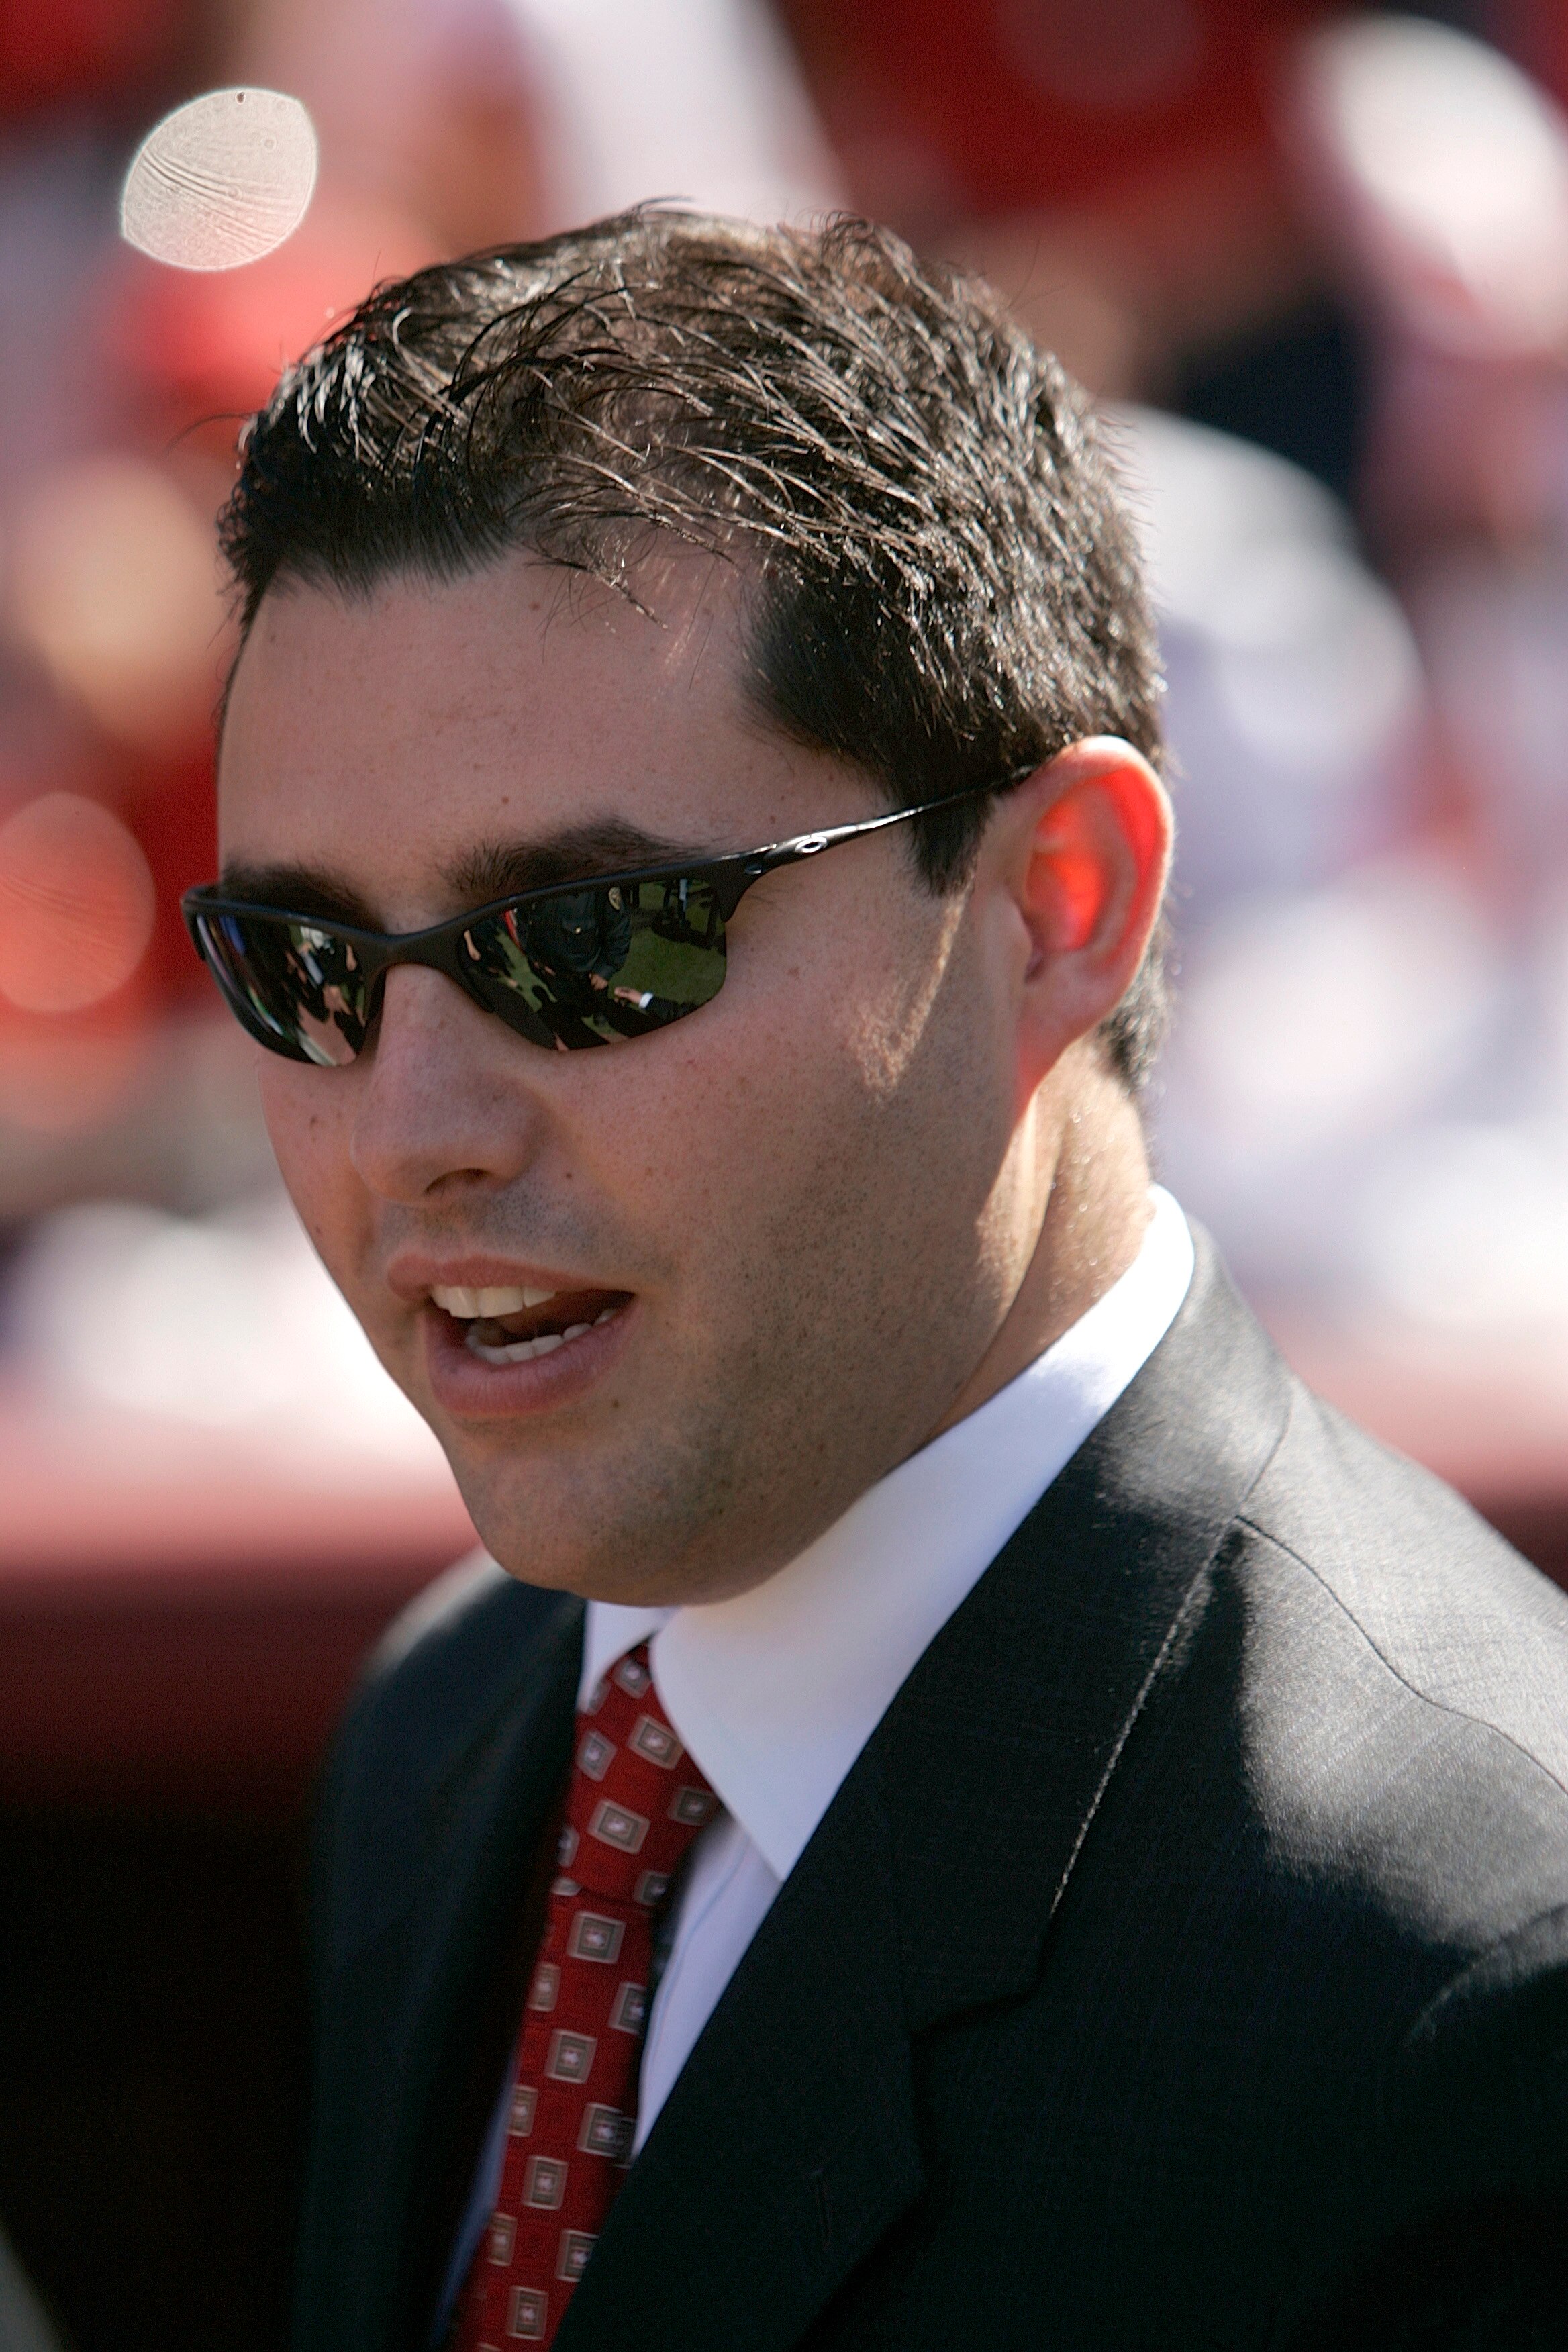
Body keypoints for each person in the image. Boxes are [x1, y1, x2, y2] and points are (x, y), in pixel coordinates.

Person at [187, 213, 1568, 2350]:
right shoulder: (457, 1727)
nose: (407, 1126)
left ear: (1059, 903)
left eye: (591, 940)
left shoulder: (1476, 1977)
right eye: (306, 970)